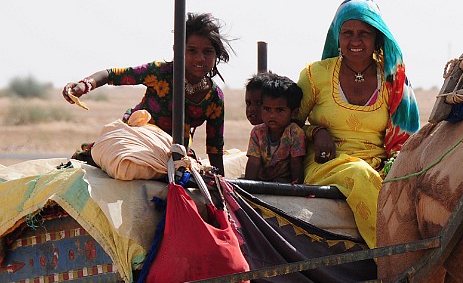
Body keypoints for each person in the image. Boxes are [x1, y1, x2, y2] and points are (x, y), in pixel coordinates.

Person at [296, 0, 419, 248]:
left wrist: (392, 170)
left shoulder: (392, 79)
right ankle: (393, 256)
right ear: (337, 37)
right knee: (358, 172)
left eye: (364, 33)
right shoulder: (314, 74)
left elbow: (407, 141)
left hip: (380, 166)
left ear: (377, 37)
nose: (355, 41)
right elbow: (286, 125)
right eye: (347, 33)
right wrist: (315, 132)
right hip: (326, 165)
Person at [62, 13, 233, 175]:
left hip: (174, 154)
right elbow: (112, 74)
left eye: (207, 52)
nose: (200, 58)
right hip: (135, 139)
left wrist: (221, 187)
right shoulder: (160, 72)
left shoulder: (214, 97)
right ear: (178, 50)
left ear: (217, 54)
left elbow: (215, 146)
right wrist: (84, 85)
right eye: (192, 51)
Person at [245, 76, 306, 184]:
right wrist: (248, 186)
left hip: (284, 182)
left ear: (294, 113)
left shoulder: (294, 133)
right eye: (267, 109)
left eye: (279, 110)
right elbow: (254, 162)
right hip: (261, 180)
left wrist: (298, 187)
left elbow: (296, 163)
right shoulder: (258, 132)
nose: (272, 115)